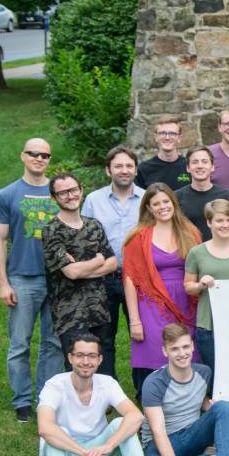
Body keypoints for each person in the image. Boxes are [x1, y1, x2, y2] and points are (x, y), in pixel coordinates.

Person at [37, 333, 172, 456]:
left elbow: (136, 416)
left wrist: (107, 447)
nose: (85, 361)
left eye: (92, 356)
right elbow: (45, 428)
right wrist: (86, 454)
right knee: (57, 432)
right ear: (70, 358)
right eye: (80, 355)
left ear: (100, 360)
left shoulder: (106, 383)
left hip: (98, 454)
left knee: (122, 422)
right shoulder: (55, 385)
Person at [141, 324, 229, 456]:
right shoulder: (153, 383)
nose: (182, 353)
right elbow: (157, 429)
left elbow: (199, 399)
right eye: (174, 349)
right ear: (165, 351)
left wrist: (213, 408)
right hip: (161, 441)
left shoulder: (204, 373)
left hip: (192, 434)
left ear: (192, 346)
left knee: (223, 407)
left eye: (185, 347)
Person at [0, 138, 60, 421]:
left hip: (58, 279)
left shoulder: (58, 192)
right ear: (23, 156)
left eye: (45, 155)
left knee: (54, 343)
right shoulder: (7, 194)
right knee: (20, 343)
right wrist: (3, 282)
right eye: (34, 154)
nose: (39, 158)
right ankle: (23, 400)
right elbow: (0, 241)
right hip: (22, 278)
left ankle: (45, 398)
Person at [122, 184, 200, 400]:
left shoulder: (190, 232)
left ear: (174, 203)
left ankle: (188, 399)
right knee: (156, 350)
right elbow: (130, 279)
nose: (162, 207)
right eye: (156, 203)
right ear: (148, 207)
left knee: (187, 350)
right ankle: (155, 400)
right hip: (151, 301)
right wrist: (134, 320)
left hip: (186, 299)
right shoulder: (138, 237)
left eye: (166, 202)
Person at [181, 199, 229, 419]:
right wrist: (201, 284)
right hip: (209, 323)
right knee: (217, 375)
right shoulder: (197, 253)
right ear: (209, 223)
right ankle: (222, 419)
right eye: (219, 220)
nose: (225, 225)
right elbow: (188, 287)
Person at [43, 173, 117, 375]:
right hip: (70, 314)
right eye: (63, 192)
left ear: (81, 191)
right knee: (79, 369)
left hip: (99, 308)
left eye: (73, 190)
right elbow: (72, 272)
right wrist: (97, 260)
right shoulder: (52, 231)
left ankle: (105, 406)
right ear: (54, 198)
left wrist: (83, 268)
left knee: (104, 366)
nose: (70, 195)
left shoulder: (94, 225)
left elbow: (112, 263)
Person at [82, 146, 145, 381]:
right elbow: (84, 236)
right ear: (108, 170)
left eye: (129, 166)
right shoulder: (93, 200)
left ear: (136, 169)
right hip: (102, 278)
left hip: (138, 279)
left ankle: (144, 389)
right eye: (118, 166)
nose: (124, 170)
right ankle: (105, 389)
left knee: (141, 335)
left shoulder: (146, 198)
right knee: (103, 337)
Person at [174, 147, 229, 240]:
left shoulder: (227, 196)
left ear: (212, 166)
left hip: (221, 251)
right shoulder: (177, 197)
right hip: (188, 252)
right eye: (195, 162)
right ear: (188, 168)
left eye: (204, 161)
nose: (200, 166)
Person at [135, 118, 190, 190]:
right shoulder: (143, 169)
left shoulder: (190, 167)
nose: (167, 138)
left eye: (172, 133)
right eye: (162, 133)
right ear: (156, 137)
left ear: (179, 138)